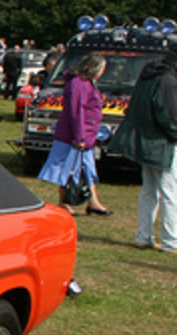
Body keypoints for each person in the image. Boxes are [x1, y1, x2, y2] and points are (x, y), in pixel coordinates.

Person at [112, 49, 177, 252]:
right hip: (160, 141)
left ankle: (143, 236)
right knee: (170, 192)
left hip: (146, 139)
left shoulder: (149, 75)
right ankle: (171, 241)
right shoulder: (167, 80)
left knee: (149, 191)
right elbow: (168, 114)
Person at [37, 52, 111, 215]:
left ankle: (93, 202)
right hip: (73, 136)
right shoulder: (78, 83)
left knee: (88, 169)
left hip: (87, 135)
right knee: (67, 168)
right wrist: (79, 137)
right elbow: (76, 111)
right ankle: (64, 201)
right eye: (102, 69)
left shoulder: (88, 83)